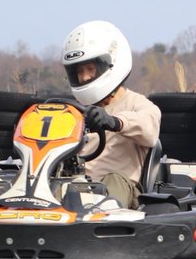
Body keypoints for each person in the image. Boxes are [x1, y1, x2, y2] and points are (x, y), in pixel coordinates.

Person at [62, 20, 161, 209]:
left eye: (90, 69)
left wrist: (115, 122)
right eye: (79, 71)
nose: (84, 77)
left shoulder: (138, 104)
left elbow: (149, 131)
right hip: (79, 186)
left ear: (111, 64)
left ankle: (101, 217)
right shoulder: (76, 110)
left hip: (121, 191)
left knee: (112, 181)